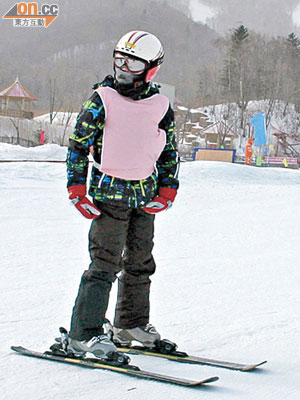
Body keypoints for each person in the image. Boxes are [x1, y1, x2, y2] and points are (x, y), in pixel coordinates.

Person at [65, 30, 179, 359]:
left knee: (141, 263)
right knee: (104, 264)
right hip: (109, 196)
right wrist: (76, 187)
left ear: (151, 69)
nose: (122, 69)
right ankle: (84, 332)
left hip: (145, 195)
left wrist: (169, 187)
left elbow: (169, 149)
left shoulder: (160, 105)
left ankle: (130, 324)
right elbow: (78, 146)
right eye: (119, 60)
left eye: (132, 63)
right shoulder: (102, 98)